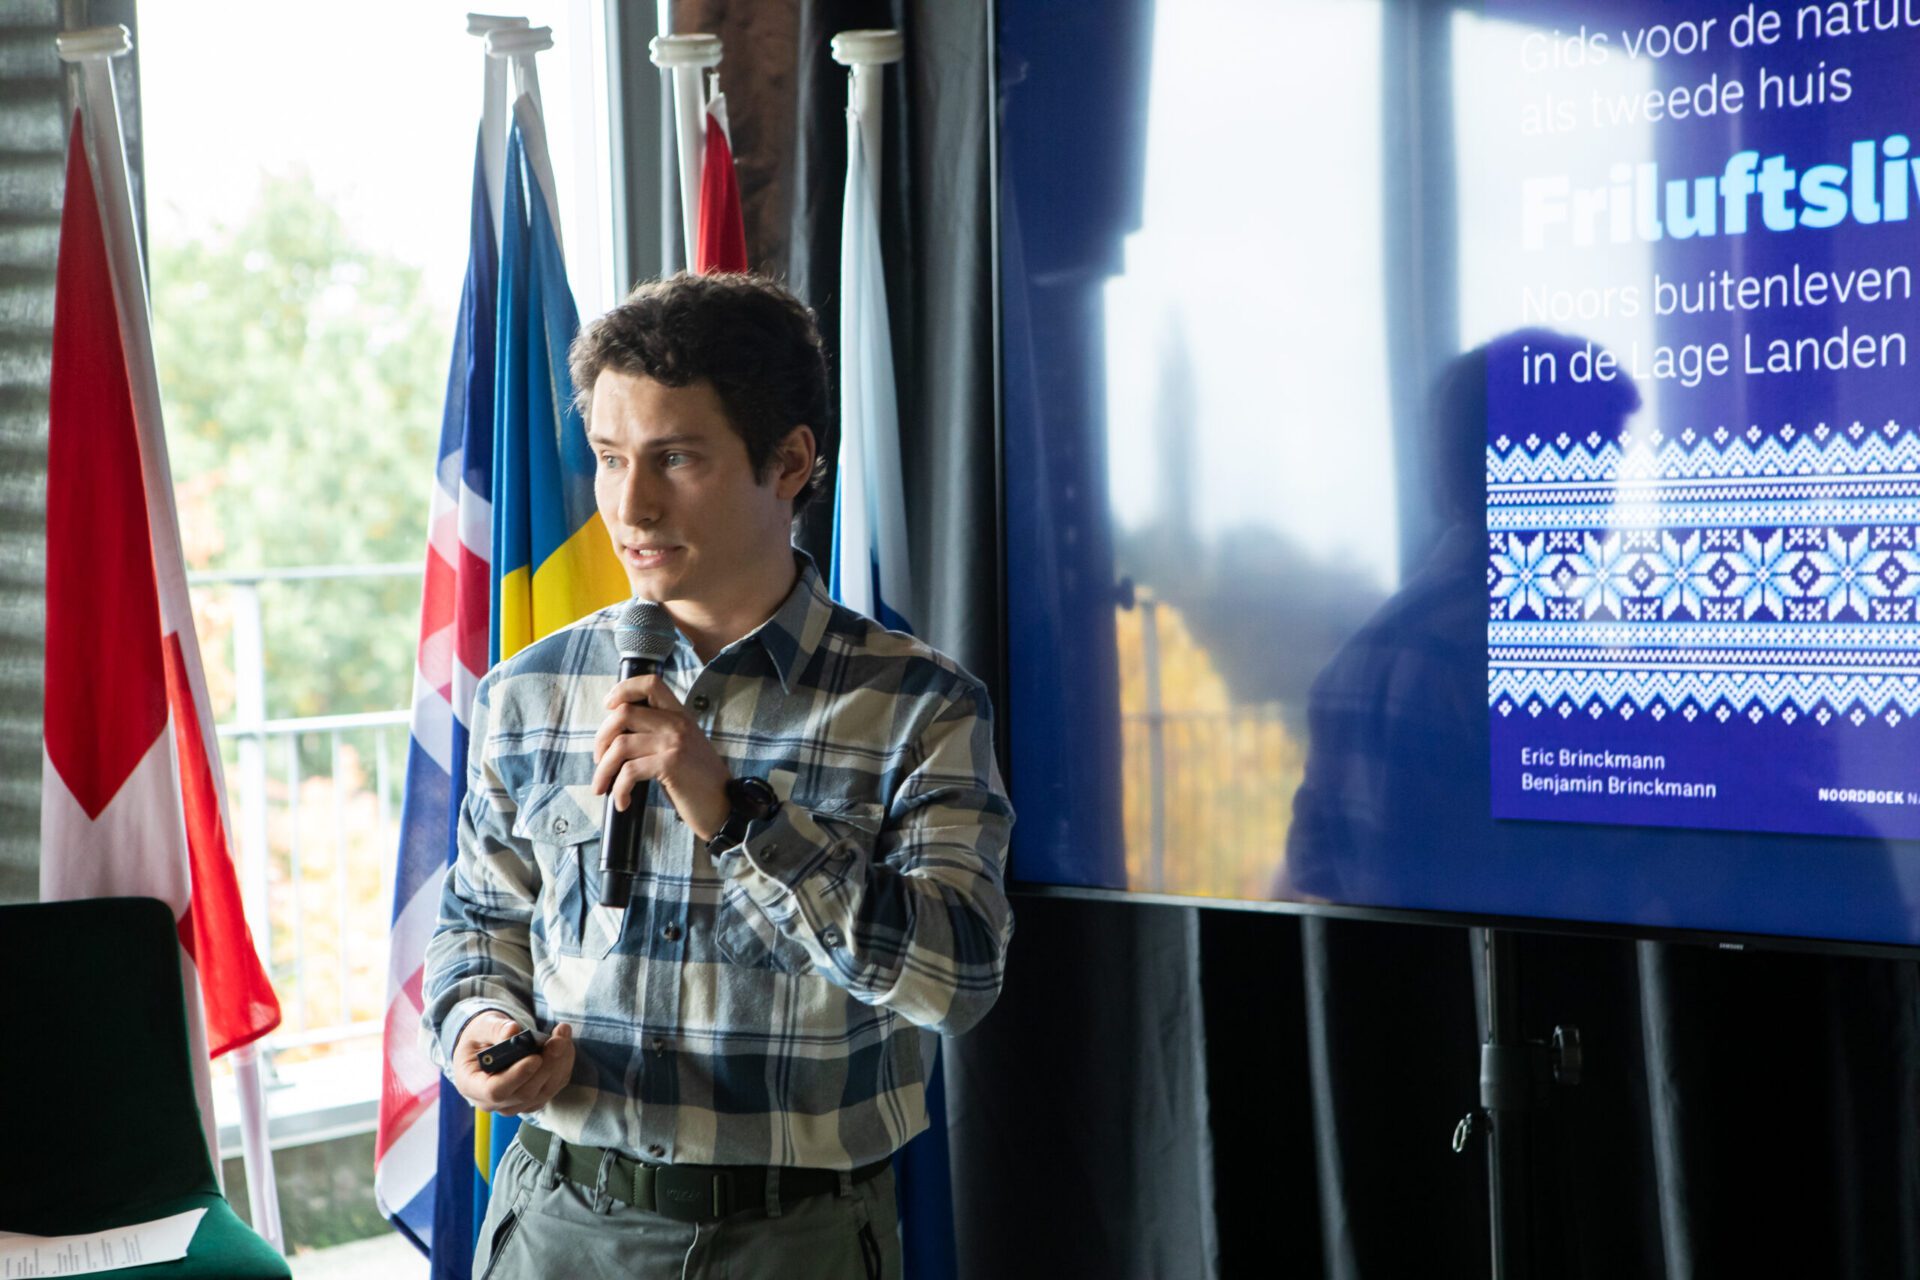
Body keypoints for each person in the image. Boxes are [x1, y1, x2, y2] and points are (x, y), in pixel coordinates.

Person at [420, 272, 1015, 1278]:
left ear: (790, 461)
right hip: (558, 1224)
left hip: (795, 1242)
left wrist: (738, 815)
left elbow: (957, 981)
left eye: (676, 458)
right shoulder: (530, 689)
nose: (631, 505)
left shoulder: (920, 703)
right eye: (611, 458)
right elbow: (478, 927)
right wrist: (482, 1025)